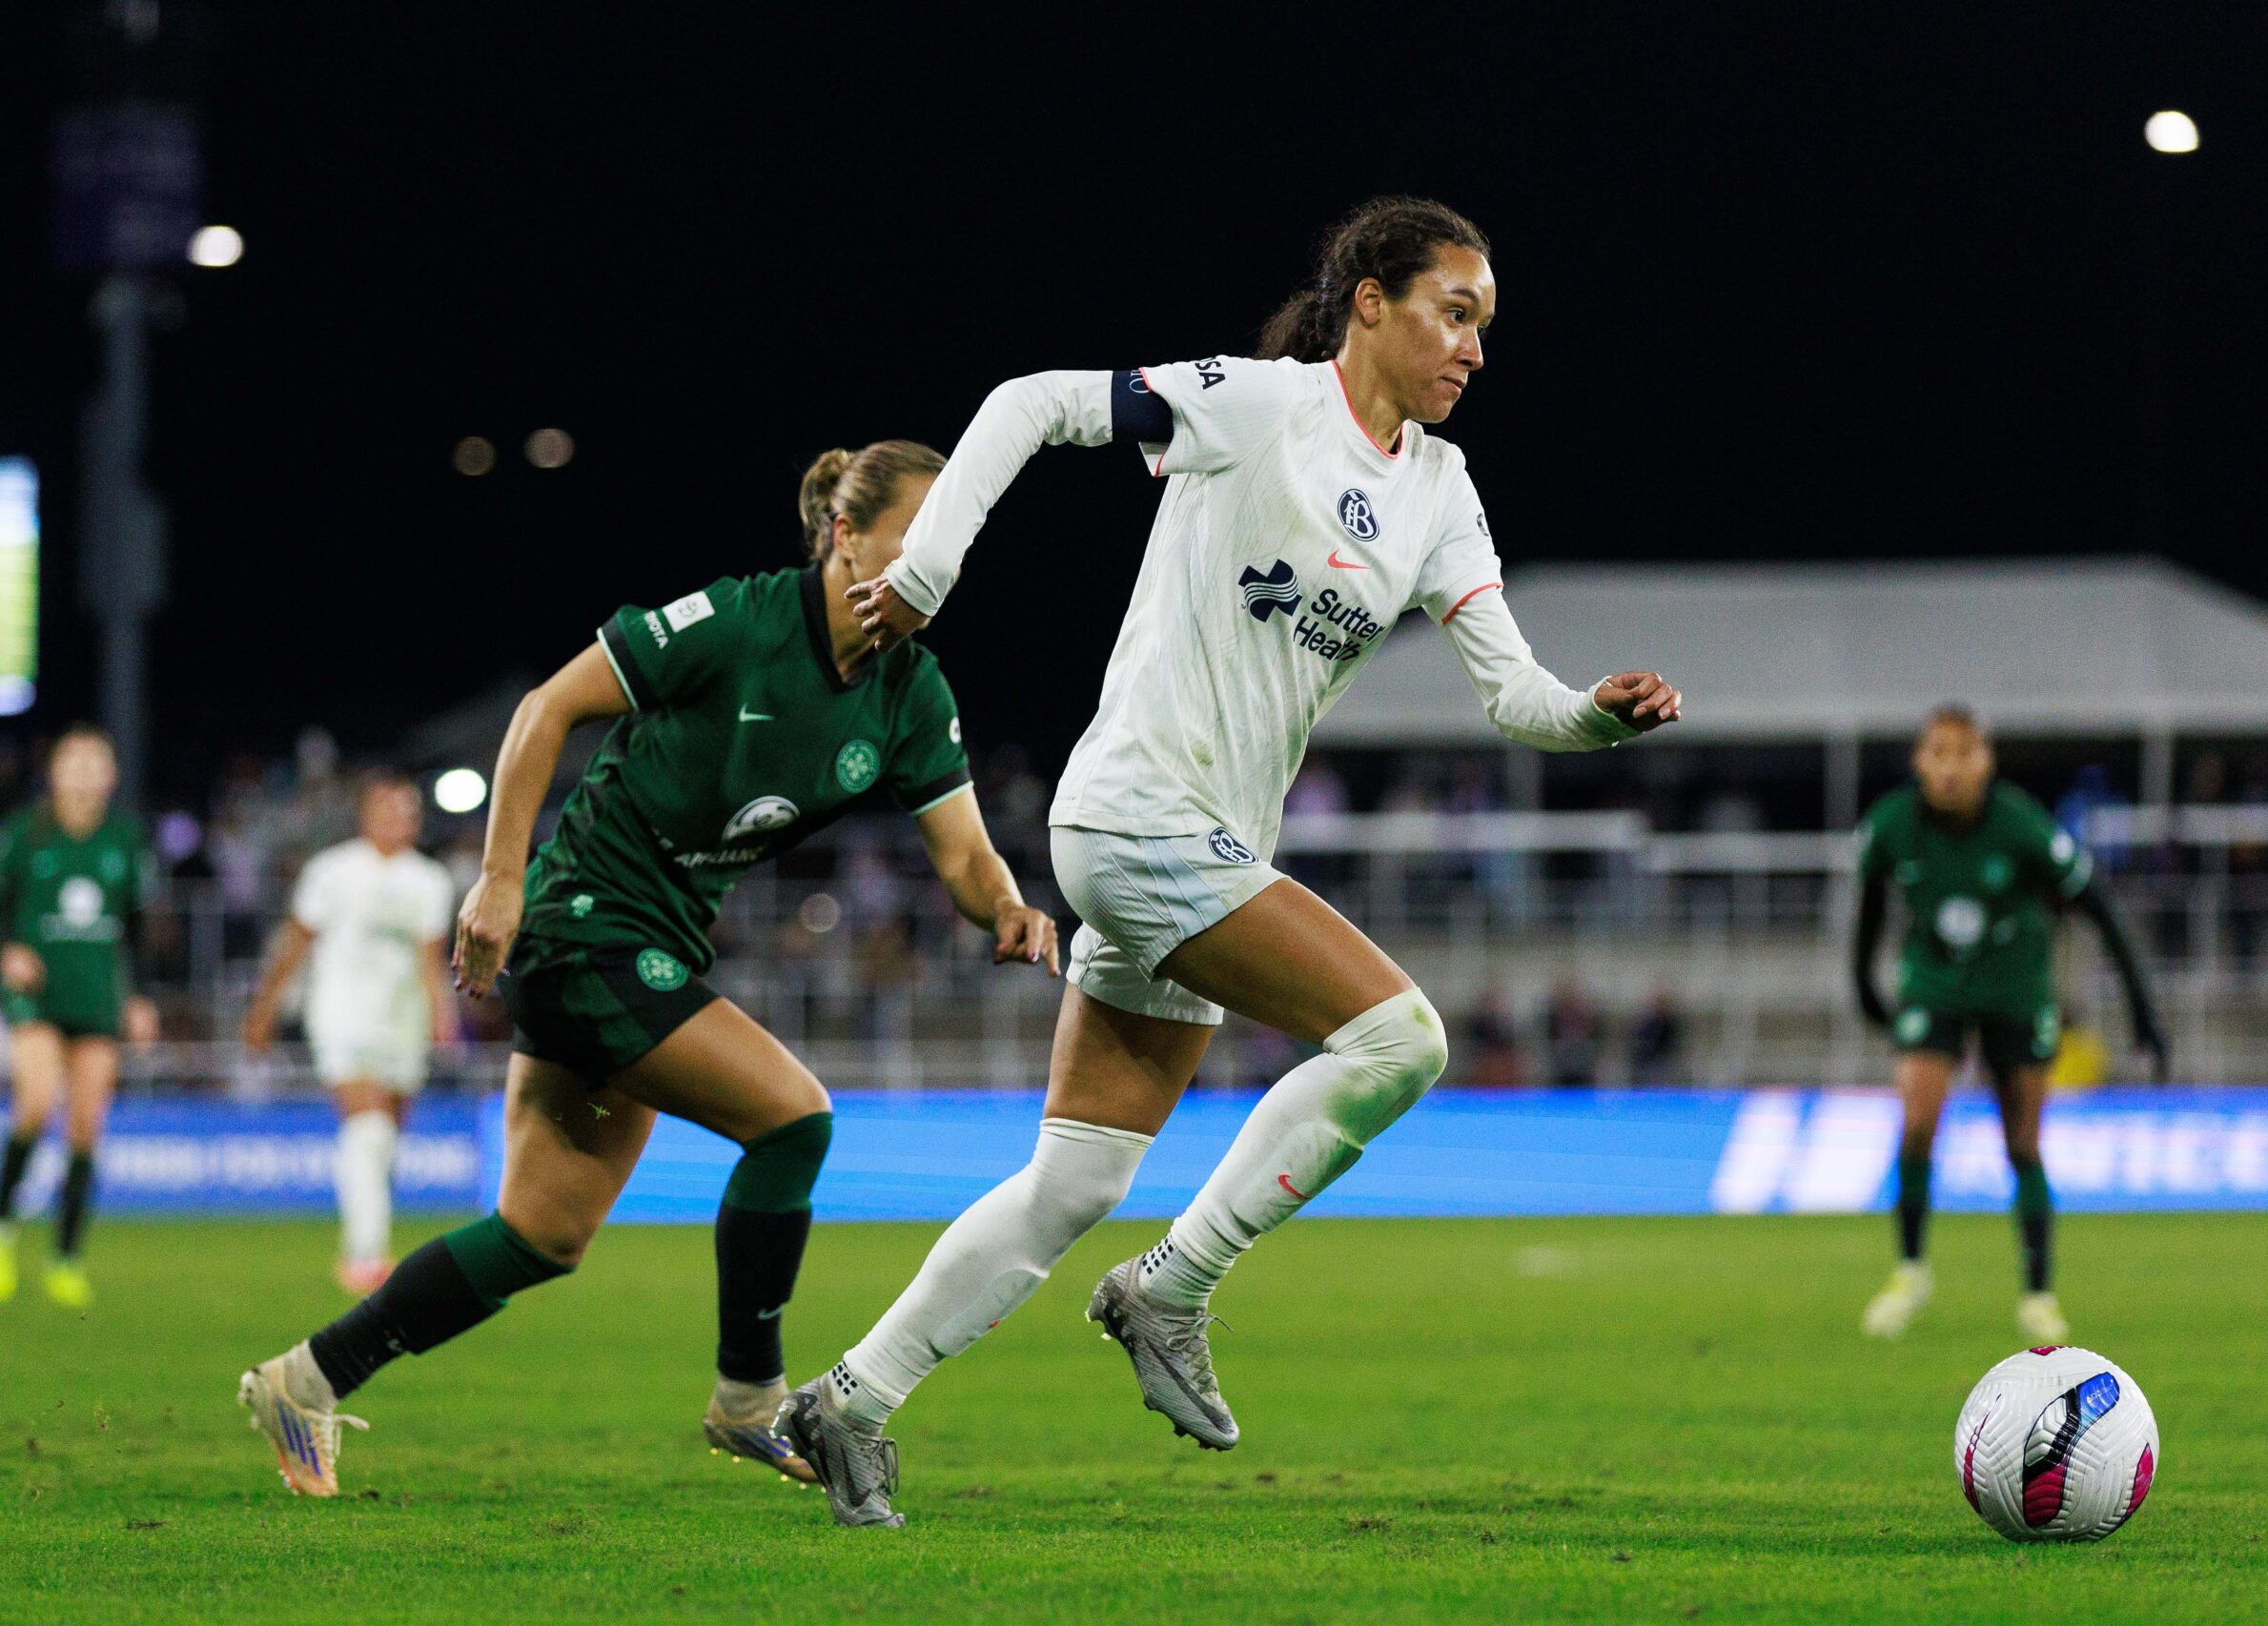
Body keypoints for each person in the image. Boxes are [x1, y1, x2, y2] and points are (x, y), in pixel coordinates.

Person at [777, 195, 1683, 1528]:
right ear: (1369, 300)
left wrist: (1595, 715)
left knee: (1075, 1178)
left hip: (1201, 845)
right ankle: (1173, 1286)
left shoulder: (1438, 491)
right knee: (1401, 1040)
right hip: (1137, 814)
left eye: (1486, 325)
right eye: (1456, 311)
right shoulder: (1257, 406)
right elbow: (1029, 402)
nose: (1476, 347)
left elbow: (1517, 696)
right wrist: (925, 569)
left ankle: (847, 1399)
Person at [235, 439, 1060, 1497]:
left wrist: (1005, 907)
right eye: (916, 538)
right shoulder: (739, 620)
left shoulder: (909, 690)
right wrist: (498, 879)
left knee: (541, 1232)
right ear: (845, 537)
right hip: (582, 924)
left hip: (652, 945)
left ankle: (305, 1379)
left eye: (954, 544)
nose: (936, 565)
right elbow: (544, 709)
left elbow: (963, 851)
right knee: (794, 1118)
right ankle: (749, 1396)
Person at [1851, 705, 2167, 1342]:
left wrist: (2142, 1010)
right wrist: (1864, 987)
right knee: (1917, 1121)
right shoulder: (1891, 825)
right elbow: (1868, 913)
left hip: (2016, 993)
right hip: (1934, 986)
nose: (1949, 769)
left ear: (1984, 761)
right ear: (1920, 761)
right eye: (1937, 754)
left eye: (1962, 754)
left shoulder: (2020, 823)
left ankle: (2038, 1293)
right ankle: (1911, 1271)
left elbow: (2098, 906)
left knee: (2022, 1141)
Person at [242, 773, 458, 1291]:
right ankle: (365, 1254)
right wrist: (263, 1011)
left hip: (401, 1020)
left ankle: (367, 1236)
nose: (399, 819)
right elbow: (294, 943)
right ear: (366, 814)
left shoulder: (430, 880)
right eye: (389, 808)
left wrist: (442, 1019)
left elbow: (431, 960)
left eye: (408, 811)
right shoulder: (331, 871)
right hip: (340, 1014)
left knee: (386, 1140)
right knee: (368, 1128)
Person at [0, 727, 160, 1308]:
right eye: (75, 761)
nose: (86, 772)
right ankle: (4, 1227)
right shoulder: (26, 831)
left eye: (97, 762)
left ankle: (66, 1258)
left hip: (95, 997)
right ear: (55, 770)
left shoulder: (123, 838)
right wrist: (7, 950)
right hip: (35, 997)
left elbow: (140, 929)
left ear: (111, 775)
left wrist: (139, 996)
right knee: (37, 1102)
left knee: (86, 1125)